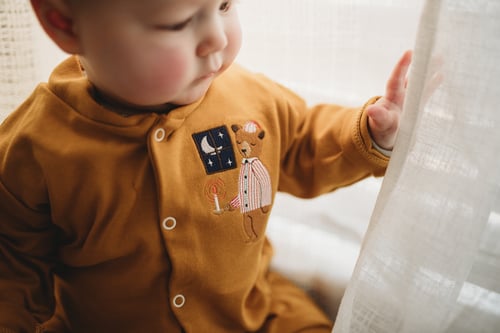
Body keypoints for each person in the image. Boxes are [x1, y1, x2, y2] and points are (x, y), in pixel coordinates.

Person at [0, 0, 412, 332]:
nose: (217, 39)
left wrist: (371, 133)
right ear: (63, 23)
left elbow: (304, 141)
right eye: (177, 24)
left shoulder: (248, 98)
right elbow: (13, 270)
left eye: (226, 5)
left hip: (254, 312)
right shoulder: (34, 149)